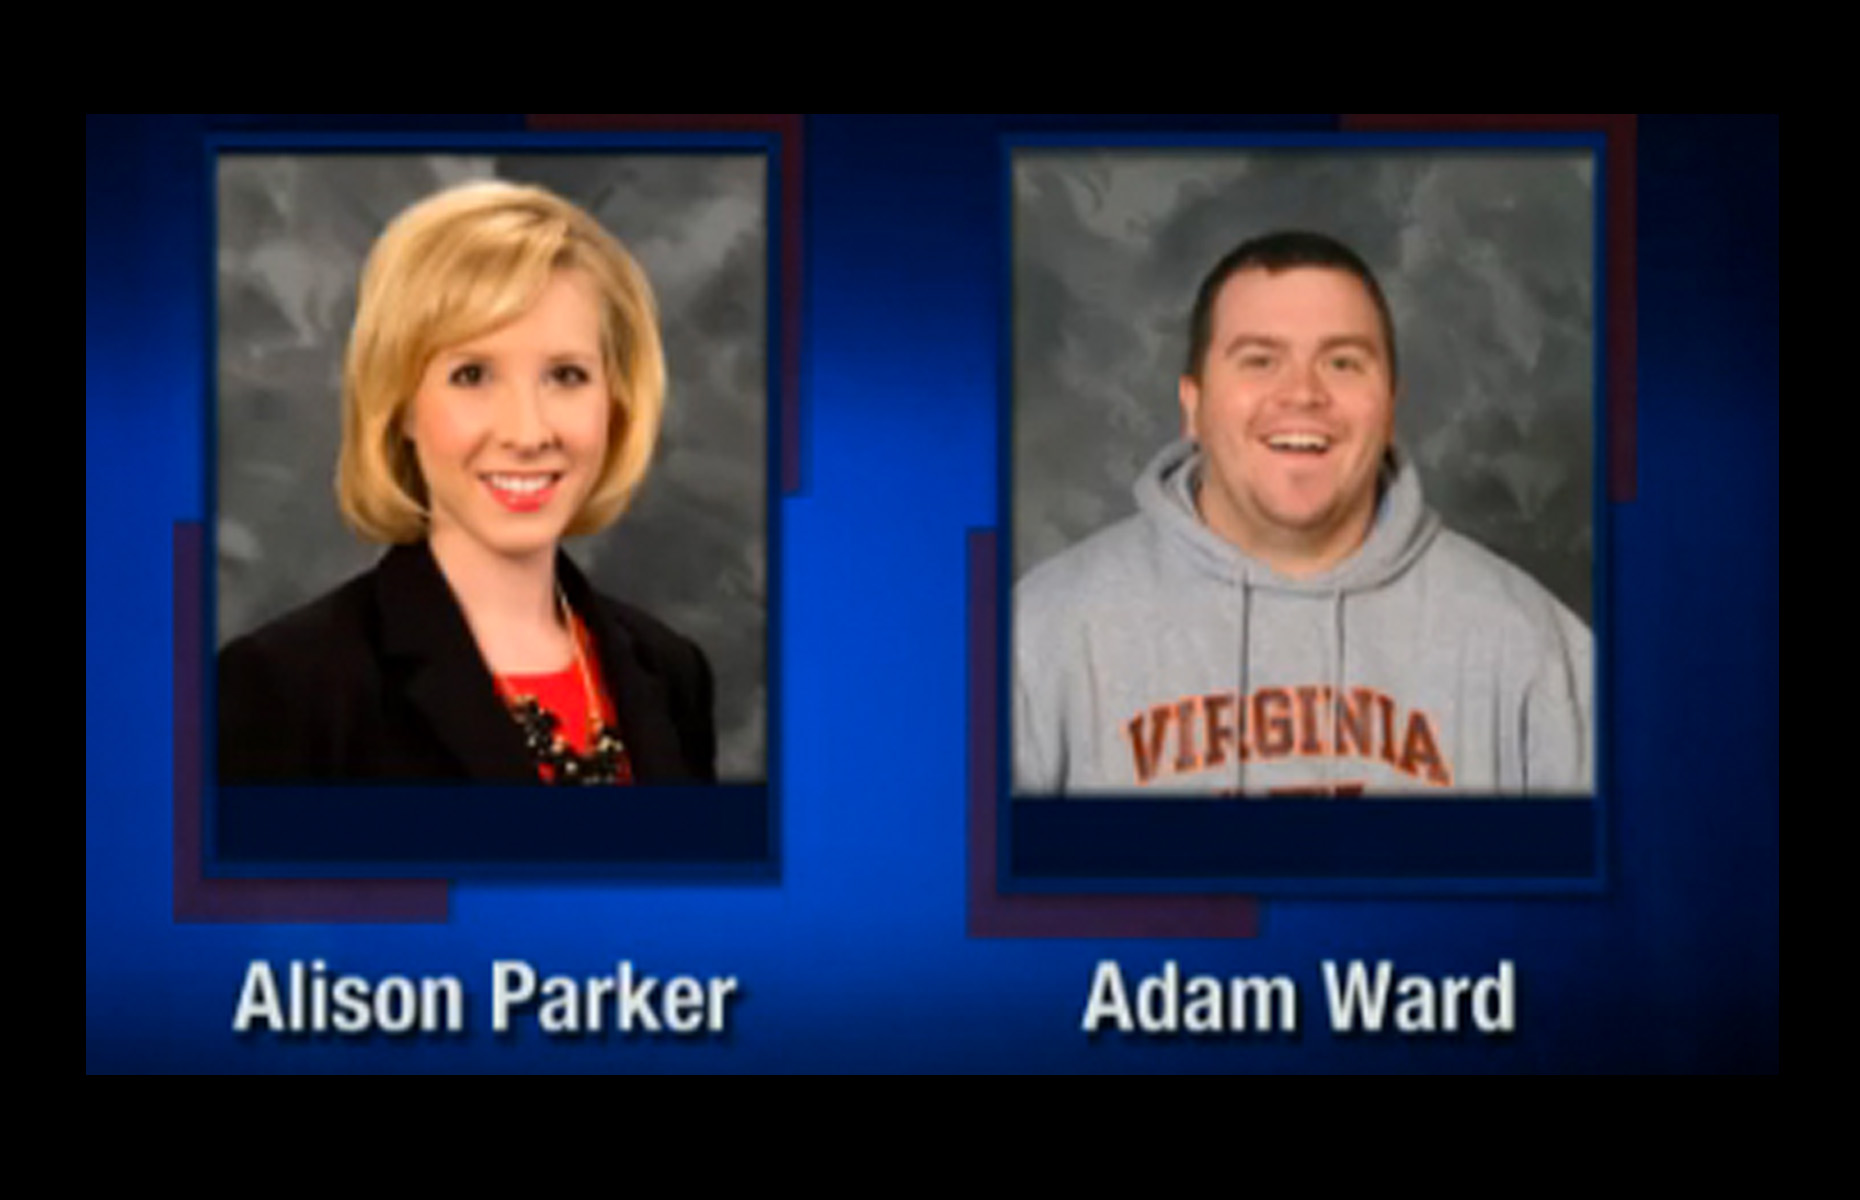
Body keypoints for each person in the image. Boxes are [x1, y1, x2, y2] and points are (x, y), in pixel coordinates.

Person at [1014, 231, 1591, 796]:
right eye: (1260, 360)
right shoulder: (1038, 637)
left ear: (1390, 407)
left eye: (1342, 362)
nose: (1302, 393)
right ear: (1193, 404)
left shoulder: (1530, 646)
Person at [217, 181, 715, 785]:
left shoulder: (669, 672)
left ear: (616, 400)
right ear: (399, 402)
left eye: (566, 374)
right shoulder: (285, 687)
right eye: (472, 374)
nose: (528, 433)